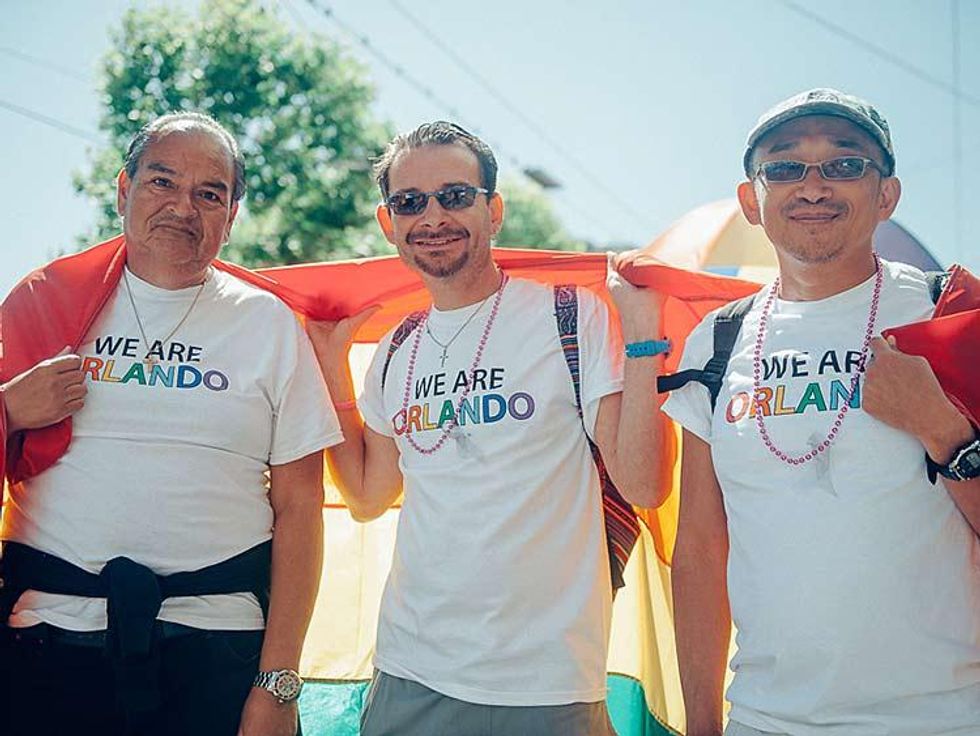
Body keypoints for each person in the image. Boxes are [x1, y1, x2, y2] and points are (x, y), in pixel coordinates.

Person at [308, 121, 670, 736]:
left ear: (493, 210)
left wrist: (642, 338)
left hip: (548, 682)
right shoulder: (396, 349)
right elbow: (368, 496)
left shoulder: (569, 316)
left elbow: (644, 485)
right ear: (388, 222)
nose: (433, 217)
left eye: (455, 196)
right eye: (410, 202)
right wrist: (331, 369)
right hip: (410, 672)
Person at [0, 112, 343, 736]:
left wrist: (279, 683)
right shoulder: (40, 302)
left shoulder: (268, 324)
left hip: (217, 647)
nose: (183, 208)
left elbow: (301, 505)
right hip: (47, 640)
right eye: (162, 182)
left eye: (209, 194)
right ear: (124, 189)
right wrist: (9, 410)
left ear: (230, 217)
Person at [664, 88, 980, 736]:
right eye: (784, 166)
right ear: (751, 200)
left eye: (845, 164)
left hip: (942, 718)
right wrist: (701, 724)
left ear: (886, 195)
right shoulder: (717, 339)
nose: (813, 186)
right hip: (764, 719)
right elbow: (699, 548)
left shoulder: (950, 313)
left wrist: (943, 431)